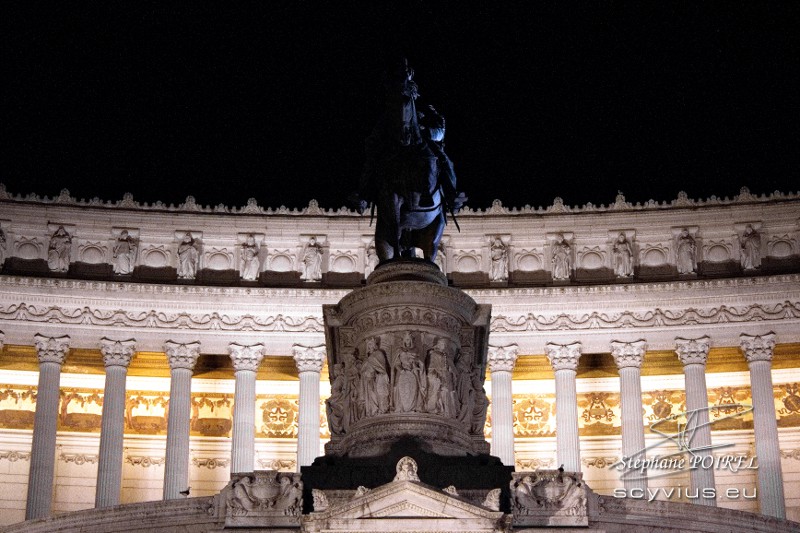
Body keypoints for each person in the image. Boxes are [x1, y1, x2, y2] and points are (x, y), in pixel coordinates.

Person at [392, 332, 425, 413]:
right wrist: (402, 370)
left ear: (411, 341)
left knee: (414, 389)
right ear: (404, 340)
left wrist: (416, 364)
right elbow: (396, 363)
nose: (408, 341)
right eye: (406, 339)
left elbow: (419, 362)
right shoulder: (399, 350)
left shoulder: (415, 350)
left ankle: (414, 407)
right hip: (402, 372)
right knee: (399, 389)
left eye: (409, 340)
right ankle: (400, 406)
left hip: (412, 372)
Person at [361, 337, 390, 416]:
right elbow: (363, 370)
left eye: (371, 344)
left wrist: (376, 372)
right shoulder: (367, 358)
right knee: (371, 395)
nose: (369, 346)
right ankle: (373, 410)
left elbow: (382, 368)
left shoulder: (378, 354)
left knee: (380, 394)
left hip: (379, 378)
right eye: (368, 345)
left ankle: (381, 409)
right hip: (369, 380)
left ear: (374, 345)